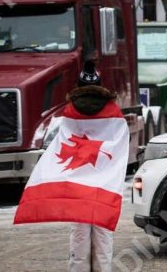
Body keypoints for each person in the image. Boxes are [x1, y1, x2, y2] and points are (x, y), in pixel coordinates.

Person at [67, 62, 124, 271]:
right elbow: (120, 145)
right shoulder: (113, 111)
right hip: (105, 182)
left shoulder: (70, 111)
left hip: (78, 181)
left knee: (80, 235)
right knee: (103, 235)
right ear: (100, 85)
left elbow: (63, 144)